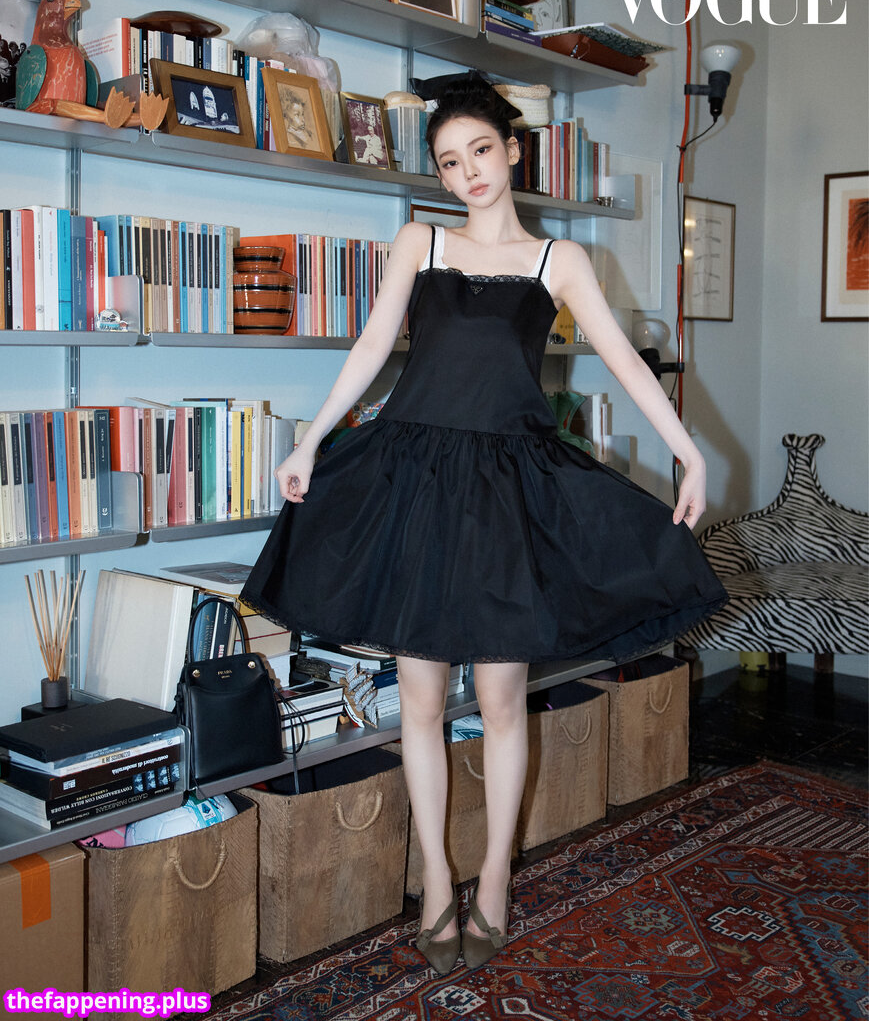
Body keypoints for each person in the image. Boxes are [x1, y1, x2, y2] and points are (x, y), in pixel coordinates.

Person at [240, 75, 728, 976]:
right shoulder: (418, 242)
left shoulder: (558, 261)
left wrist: (688, 454)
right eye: (448, 161)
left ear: (512, 152)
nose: (467, 171)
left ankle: (495, 873)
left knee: (501, 703)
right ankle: (436, 877)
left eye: (479, 152)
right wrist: (308, 440)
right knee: (421, 704)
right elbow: (373, 346)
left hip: (506, 494)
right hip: (414, 486)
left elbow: (623, 363)